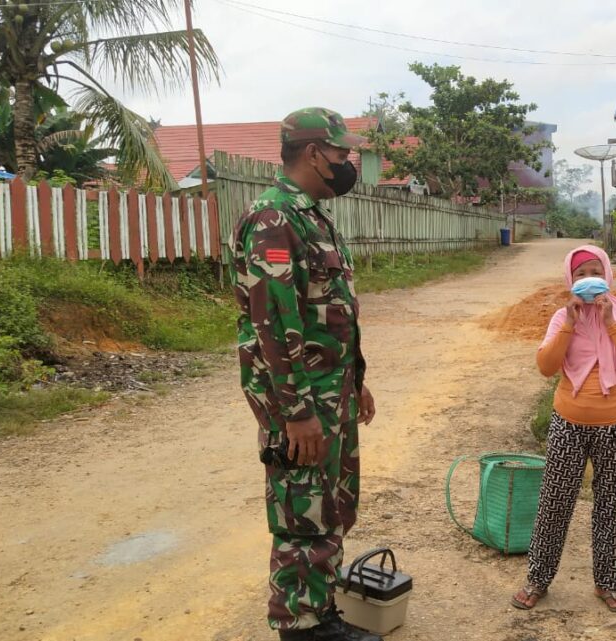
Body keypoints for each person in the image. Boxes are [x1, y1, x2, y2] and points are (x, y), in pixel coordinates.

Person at [230, 107, 379, 641]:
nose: (348, 162)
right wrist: (295, 415)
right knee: (303, 515)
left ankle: (321, 610)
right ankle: (301, 627)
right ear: (314, 153)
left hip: (327, 392)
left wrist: (353, 380)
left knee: (332, 506)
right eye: (342, 153)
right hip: (301, 403)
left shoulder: (310, 215)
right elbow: (274, 326)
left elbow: (327, 313)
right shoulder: (274, 219)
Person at [512, 245, 616, 613]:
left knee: (609, 506)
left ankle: (608, 584)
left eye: (595, 271)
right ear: (570, 281)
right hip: (568, 424)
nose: (589, 278)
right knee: (554, 504)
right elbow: (546, 365)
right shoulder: (562, 317)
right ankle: (538, 579)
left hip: (614, 425)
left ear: (607, 274)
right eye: (580, 274)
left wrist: (609, 322)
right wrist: (572, 322)